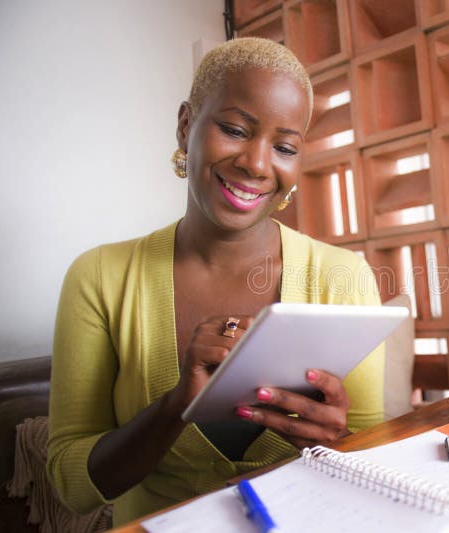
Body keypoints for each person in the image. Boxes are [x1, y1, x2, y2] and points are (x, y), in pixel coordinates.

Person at [46, 37, 384, 526]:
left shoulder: (343, 277)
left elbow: (376, 462)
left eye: (284, 146)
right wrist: (174, 407)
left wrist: (339, 442)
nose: (258, 163)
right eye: (234, 129)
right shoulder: (99, 277)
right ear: (187, 126)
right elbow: (70, 484)